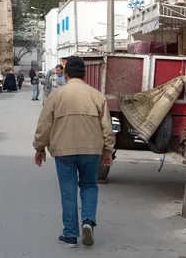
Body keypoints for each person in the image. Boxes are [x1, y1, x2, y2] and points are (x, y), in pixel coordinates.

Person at [32, 56, 115, 248]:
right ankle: (87, 221)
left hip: (64, 151)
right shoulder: (97, 96)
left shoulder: (56, 96)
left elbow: (44, 125)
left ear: (66, 73)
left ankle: (70, 235)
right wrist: (108, 151)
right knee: (89, 186)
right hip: (91, 150)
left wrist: (39, 148)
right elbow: (107, 129)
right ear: (84, 75)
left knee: (68, 191)